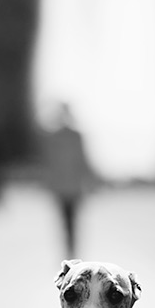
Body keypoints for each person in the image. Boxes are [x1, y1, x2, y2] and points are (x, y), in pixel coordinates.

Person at [42, 102, 97, 255]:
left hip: (74, 188)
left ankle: (72, 252)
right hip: (60, 188)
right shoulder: (53, 138)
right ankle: (67, 251)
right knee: (64, 222)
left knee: (73, 222)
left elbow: (83, 160)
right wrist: (49, 183)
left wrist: (90, 181)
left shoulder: (76, 136)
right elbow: (50, 163)